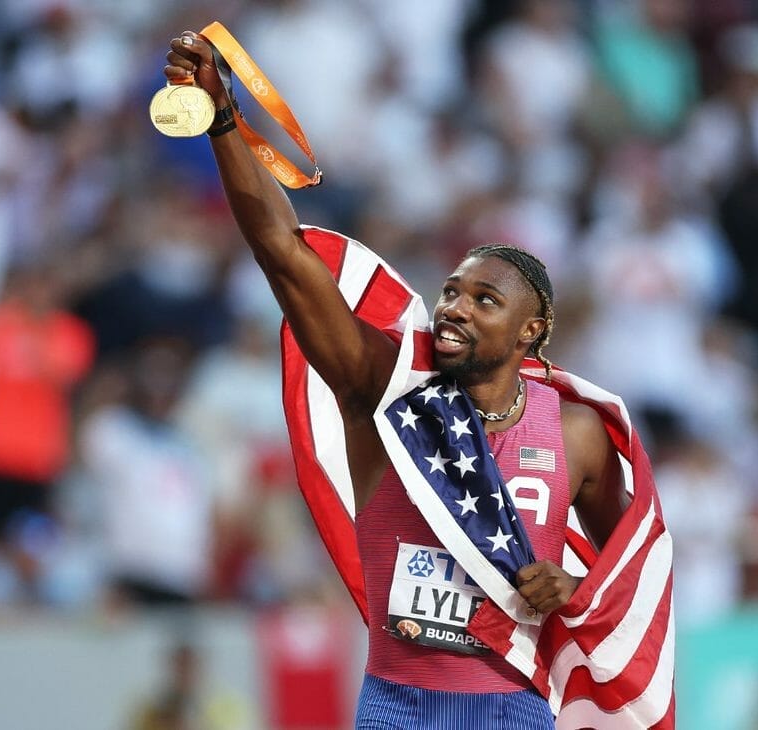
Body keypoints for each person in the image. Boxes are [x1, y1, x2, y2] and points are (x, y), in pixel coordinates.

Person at [164, 31, 669, 729]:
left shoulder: (575, 433)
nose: (456, 307)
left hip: (511, 710)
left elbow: (628, 578)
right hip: (395, 706)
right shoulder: (385, 391)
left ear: (531, 332)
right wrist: (224, 120)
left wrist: (574, 586)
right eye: (453, 291)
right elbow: (282, 251)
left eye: (484, 300)